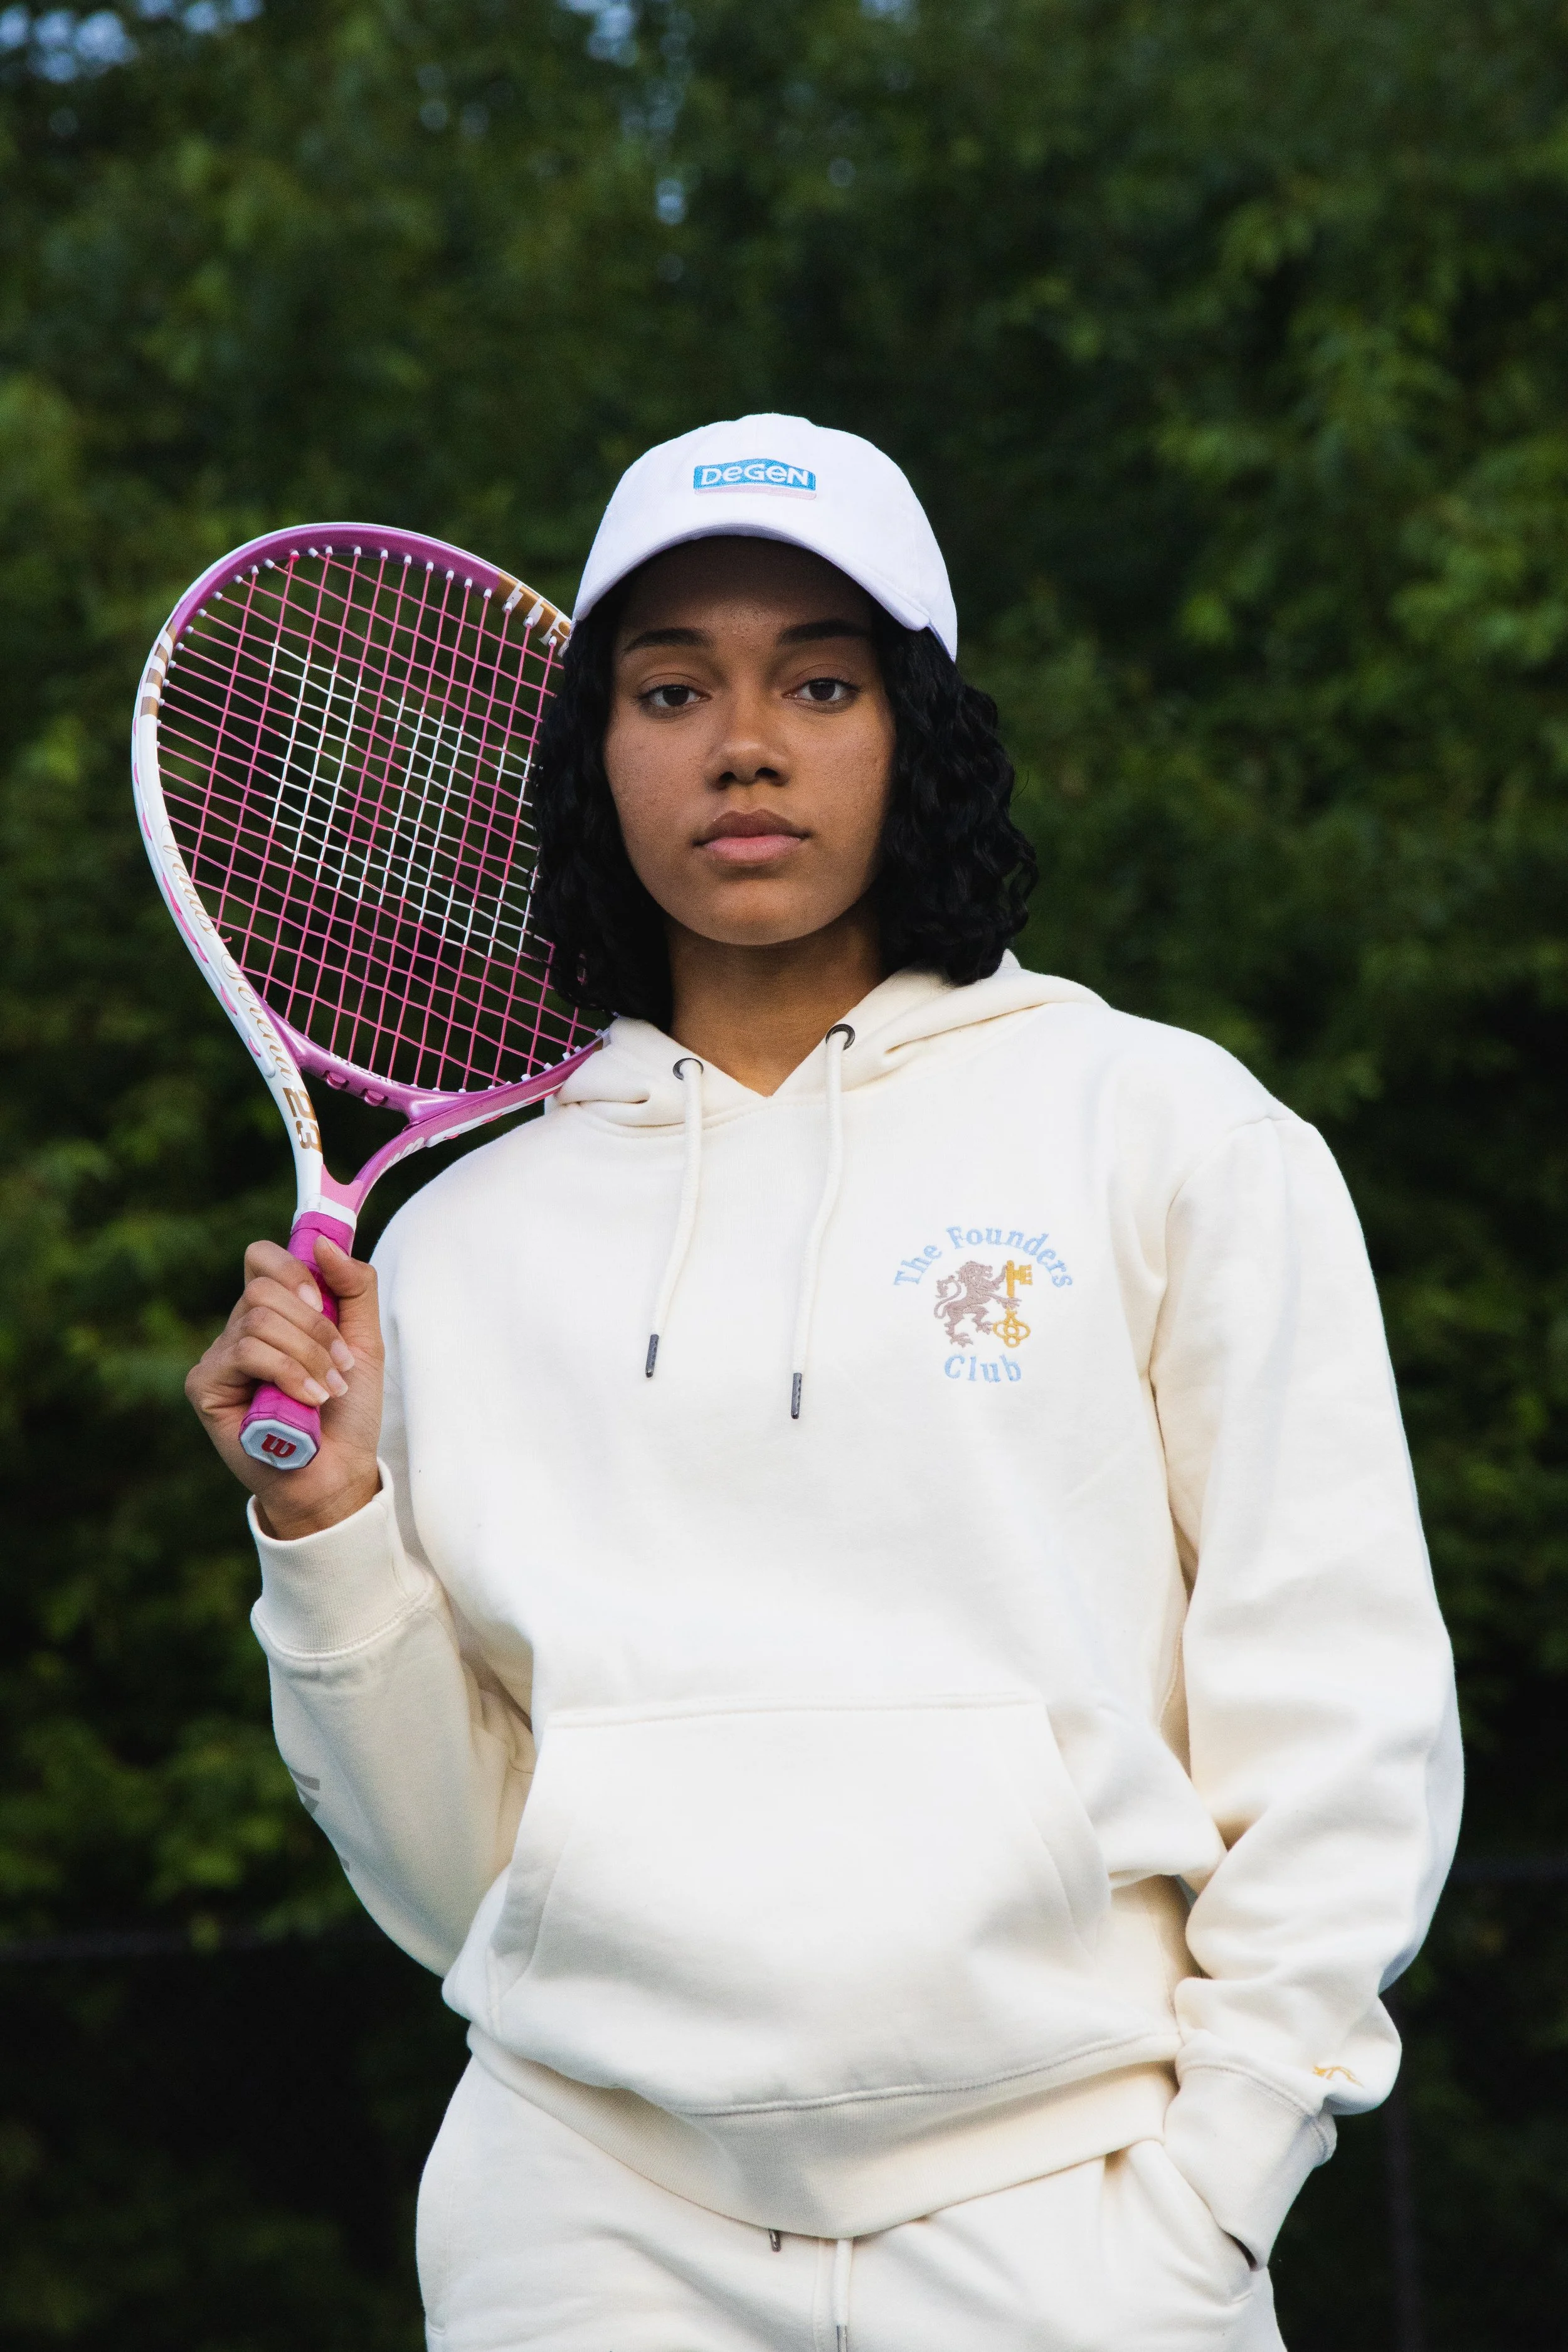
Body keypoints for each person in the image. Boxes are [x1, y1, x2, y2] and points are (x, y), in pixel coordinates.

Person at [186, 415, 1461, 2351]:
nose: (744, 745)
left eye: (820, 681)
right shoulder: (453, 1248)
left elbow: (1341, 1710)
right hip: (587, 2225)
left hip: (1077, 2212)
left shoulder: (1166, 1130)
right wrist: (325, 1522)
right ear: (593, 750)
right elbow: (456, 1882)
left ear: (917, 729)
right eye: (669, 688)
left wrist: (1212, 2191)